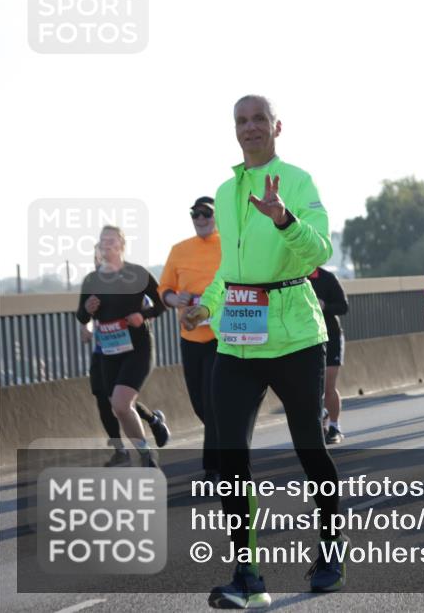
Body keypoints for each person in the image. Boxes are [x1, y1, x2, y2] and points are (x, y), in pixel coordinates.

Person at [182, 95, 346, 607]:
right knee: (229, 454)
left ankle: (332, 550)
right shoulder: (226, 190)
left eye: (258, 119)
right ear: (234, 130)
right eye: (241, 120)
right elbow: (229, 273)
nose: (249, 128)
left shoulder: (297, 181)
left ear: (277, 127)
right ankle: (248, 575)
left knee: (309, 449)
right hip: (237, 337)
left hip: (296, 334)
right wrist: (205, 310)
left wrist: (283, 219)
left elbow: (320, 252)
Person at [76, 226, 166, 467]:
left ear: (121, 245)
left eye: (111, 240)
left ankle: (146, 456)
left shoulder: (137, 274)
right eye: (102, 240)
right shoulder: (92, 280)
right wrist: (88, 309)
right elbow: (81, 317)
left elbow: (161, 303)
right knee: (118, 408)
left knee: (121, 404)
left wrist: (143, 314)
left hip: (138, 348)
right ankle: (145, 451)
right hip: (109, 352)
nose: (106, 244)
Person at [157, 196, 222, 482]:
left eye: (206, 213)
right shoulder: (179, 250)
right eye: (194, 214)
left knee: (212, 398)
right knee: (199, 402)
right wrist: (176, 298)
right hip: (190, 334)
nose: (200, 219)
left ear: (217, 216)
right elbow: (164, 289)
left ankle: (213, 467)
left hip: (222, 335)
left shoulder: (231, 245)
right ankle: (228, 439)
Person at [308, 265, 349, 444]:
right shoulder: (293, 275)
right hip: (307, 339)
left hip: (331, 336)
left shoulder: (327, 278)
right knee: (311, 387)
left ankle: (335, 426)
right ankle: (322, 416)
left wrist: (324, 305)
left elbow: (344, 306)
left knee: (327, 386)